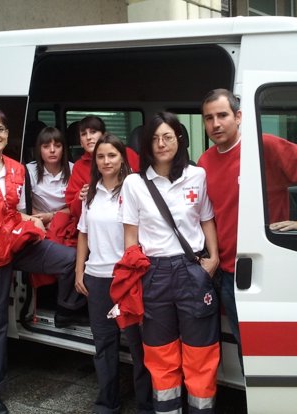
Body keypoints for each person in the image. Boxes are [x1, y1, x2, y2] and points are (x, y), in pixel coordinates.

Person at [0, 108, 85, 414]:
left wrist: (33, 222)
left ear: (8, 134)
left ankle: (68, 309)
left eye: (1, 129)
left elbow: (18, 210)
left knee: (74, 260)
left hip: (17, 244)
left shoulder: (15, 168)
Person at [197, 88, 297, 346]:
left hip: (268, 267)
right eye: (208, 118)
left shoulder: (265, 147)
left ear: (238, 117)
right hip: (229, 273)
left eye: (222, 115)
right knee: (245, 349)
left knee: (275, 347)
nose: (215, 124)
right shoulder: (204, 162)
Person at [119, 112, 220, 413]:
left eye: (167, 136)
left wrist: (213, 258)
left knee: (200, 353)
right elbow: (130, 236)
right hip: (154, 272)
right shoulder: (134, 184)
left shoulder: (197, 175)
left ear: (179, 138)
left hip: (193, 270)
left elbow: (206, 219)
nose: (161, 144)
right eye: (154, 138)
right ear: (146, 145)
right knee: (160, 354)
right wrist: (136, 274)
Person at [74, 134, 153, 414]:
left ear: (123, 159)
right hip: (96, 278)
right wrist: (79, 270)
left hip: (127, 279)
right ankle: (107, 401)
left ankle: (146, 404)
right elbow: (83, 233)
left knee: (138, 346)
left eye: (112, 156)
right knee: (104, 344)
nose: (106, 161)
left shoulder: (135, 190)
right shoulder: (91, 192)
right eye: (100, 156)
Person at [64, 116, 139, 221]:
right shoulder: (79, 167)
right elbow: (74, 211)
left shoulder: (127, 153)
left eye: (93, 132)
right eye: (84, 134)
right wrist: (79, 197)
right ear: (81, 142)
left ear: (104, 135)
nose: (89, 137)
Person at [26, 126, 73, 227]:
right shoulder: (28, 170)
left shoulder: (73, 169)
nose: (52, 150)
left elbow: (77, 206)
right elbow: (25, 204)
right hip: (38, 222)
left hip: (67, 222)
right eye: (46, 146)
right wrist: (41, 219)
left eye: (57, 146)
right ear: (39, 149)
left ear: (63, 149)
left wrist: (52, 216)